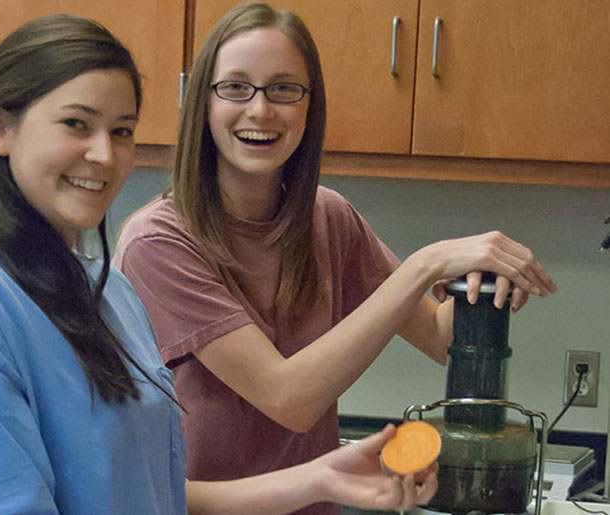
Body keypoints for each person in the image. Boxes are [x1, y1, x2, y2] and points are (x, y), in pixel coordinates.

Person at [0, 13, 438, 515]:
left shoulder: (109, 296)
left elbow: (160, 494)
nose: (104, 154)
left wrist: (320, 478)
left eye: (122, 131)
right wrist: (423, 268)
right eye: (76, 124)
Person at [113, 3, 557, 513]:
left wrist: (482, 280)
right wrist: (425, 264)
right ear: (202, 103)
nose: (260, 110)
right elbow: (290, 400)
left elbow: (440, 337)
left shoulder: (328, 217)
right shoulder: (159, 242)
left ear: (309, 105)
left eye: (284, 88)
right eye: (236, 87)